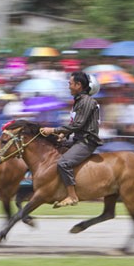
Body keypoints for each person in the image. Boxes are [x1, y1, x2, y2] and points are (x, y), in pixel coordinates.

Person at [41, 71, 102, 207]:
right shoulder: (79, 101)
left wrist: (53, 130)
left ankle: (72, 196)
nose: (68, 85)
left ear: (78, 85)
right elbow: (75, 124)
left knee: (63, 163)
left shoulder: (86, 101)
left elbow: (78, 124)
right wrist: (64, 135)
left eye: (70, 83)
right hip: (78, 139)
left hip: (86, 142)